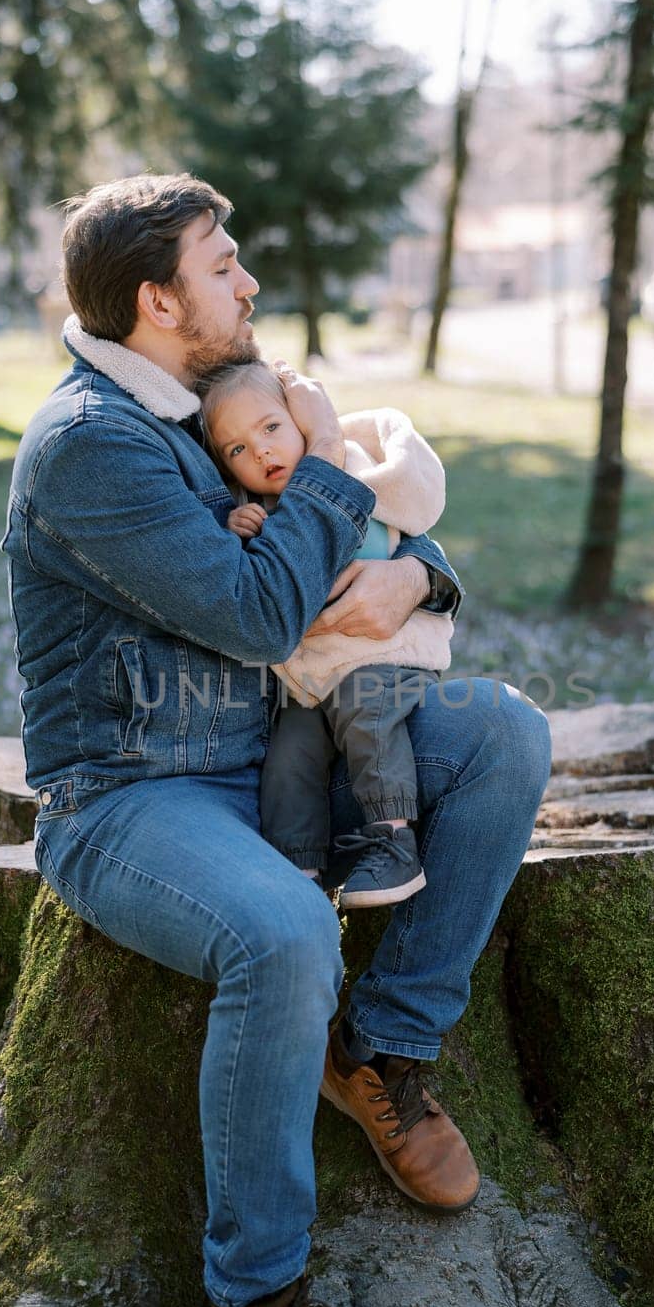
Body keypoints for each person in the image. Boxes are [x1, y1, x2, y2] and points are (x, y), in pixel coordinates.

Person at [1, 173, 552, 1307]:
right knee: (283, 933)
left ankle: (381, 1051)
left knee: (505, 737)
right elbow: (261, 607)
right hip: (132, 795)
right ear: (154, 299)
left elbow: (344, 549)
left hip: (278, 745)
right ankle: (260, 1292)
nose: (246, 283)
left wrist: (423, 567)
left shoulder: (197, 402)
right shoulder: (89, 442)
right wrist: (342, 489)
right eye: (222, 263)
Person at [200, 359, 452, 908]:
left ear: (303, 420)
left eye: (270, 428)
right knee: (289, 753)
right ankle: (299, 870)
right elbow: (256, 589)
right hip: (311, 678)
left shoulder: (348, 468)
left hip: (375, 655)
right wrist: (241, 534)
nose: (262, 452)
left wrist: (290, 525)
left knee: (368, 714)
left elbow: (366, 548)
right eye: (237, 449)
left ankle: (394, 840)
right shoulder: (254, 506)